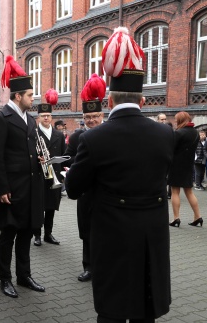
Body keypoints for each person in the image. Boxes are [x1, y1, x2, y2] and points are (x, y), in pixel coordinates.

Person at [65, 27, 173, 323]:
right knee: (145, 308)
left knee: (112, 311)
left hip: (112, 235)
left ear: (109, 101)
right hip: (151, 234)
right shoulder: (166, 134)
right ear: (143, 101)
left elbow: (73, 189)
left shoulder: (93, 139)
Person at [0, 55, 45, 298]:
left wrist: (39, 160)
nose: (34, 98)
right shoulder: (1, 118)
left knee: (27, 232)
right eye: (30, 95)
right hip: (12, 190)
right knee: (8, 235)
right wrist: (1, 189)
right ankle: (5, 279)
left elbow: (28, 150)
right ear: (18, 96)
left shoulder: (29, 120)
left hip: (31, 187)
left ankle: (24, 275)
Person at [63, 73, 106, 282]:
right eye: (88, 118)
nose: (91, 121)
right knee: (87, 231)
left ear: (102, 116)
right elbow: (69, 159)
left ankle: (104, 266)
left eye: (95, 117)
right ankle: (88, 266)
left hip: (106, 191)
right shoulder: (79, 136)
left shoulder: (109, 133)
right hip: (86, 192)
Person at [33, 89, 65, 246]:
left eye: (48, 116)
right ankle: (37, 235)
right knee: (39, 206)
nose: (46, 118)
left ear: (51, 117)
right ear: (38, 118)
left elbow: (64, 155)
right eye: (43, 116)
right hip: (40, 175)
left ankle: (48, 234)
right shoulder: (34, 133)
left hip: (55, 175)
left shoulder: (59, 135)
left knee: (51, 207)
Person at [168, 112, 203, 227]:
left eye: (176, 119)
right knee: (189, 192)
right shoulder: (195, 133)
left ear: (180, 120)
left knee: (175, 191)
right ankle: (198, 216)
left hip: (176, 165)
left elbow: (171, 148)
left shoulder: (178, 133)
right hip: (189, 164)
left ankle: (176, 218)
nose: (175, 121)